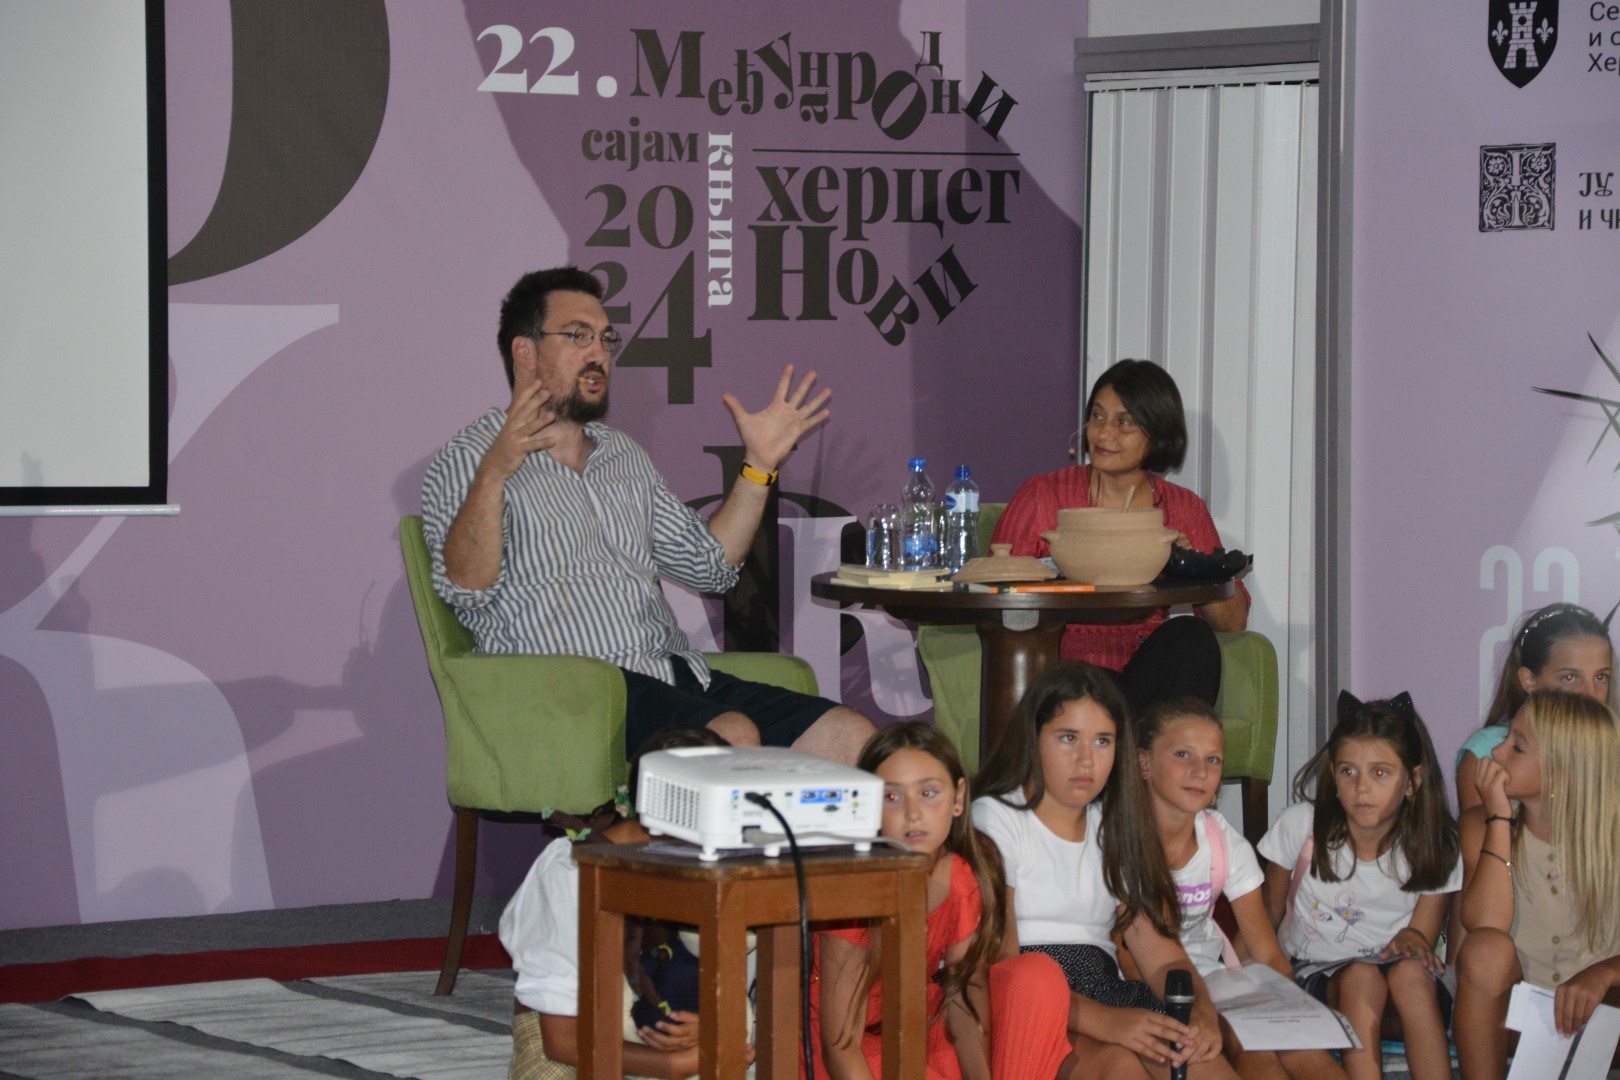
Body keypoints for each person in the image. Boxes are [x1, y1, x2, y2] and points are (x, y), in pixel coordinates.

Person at [421, 266, 875, 763]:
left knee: (853, 737)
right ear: (525, 351)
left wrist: (759, 466)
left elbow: (710, 566)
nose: (598, 354)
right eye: (578, 336)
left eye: (605, 339)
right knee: (731, 736)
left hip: (673, 674)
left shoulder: (623, 455)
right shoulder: (471, 456)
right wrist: (494, 474)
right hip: (572, 694)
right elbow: (466, 584)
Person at [973, 662, 1239, 1080]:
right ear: (1033, 738)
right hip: (1032, 1000)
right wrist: (1106, 1022)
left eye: (1102, 741)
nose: (1086, 760)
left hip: (1104, 986)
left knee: (1195, 1061)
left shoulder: (1111, 826)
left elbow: (1161, 955)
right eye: (1068, 738)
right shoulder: (997, 816)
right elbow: (1001, 962)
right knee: (1119, 1065)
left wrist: (1201, 1011)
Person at [809, 722, 1072, 1079]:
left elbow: (964, 995)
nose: (912, 813)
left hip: (917, 1025)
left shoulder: (961, 876)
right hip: (852, 1049)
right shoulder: (854, 889)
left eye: (928, 793)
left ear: (958, 798)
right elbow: (840, 1048)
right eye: (891, 797)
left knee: (1037, 976)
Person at [991, 359, 1249, 715]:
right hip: (1066, 670)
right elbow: (995, 599)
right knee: (1081, 683)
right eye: (1097, 417)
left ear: (1158, 434)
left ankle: (1130, 738)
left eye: (1123, 422)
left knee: (1193, 638)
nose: (1103, 434)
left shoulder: (1183, 508)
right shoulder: (1044, 495)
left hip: (1146, 673)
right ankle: (1133, 740)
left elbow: (1232, 623)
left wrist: (1190, 569)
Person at [501, 725, 741, 1080]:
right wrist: (678, 1065)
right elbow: (561, 1041)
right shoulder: (571, 871)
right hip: (577, 1030)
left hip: (671, 1015)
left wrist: (709, 1024)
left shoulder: (718, 857)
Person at [1134, 698, 1346, 1080]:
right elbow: (1124, 956)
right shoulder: (1118, 840)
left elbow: (1266, 951)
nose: (1200, 771)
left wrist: (1287, 1010)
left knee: (1300, 1047)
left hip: (1213, 977)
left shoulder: (1222, 841)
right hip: (1145, 984)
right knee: (1248, 1044)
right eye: (1182, 754)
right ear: (1144, 762)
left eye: (1213, 760)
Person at [1259, 692, 1460, 1080]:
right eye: (1348, 772)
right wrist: (1232, 981)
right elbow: (1264, 915)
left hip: (1407, 986)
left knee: (1409, 974)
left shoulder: (1437, 844)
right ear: (1334, 775)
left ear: (1413, 781)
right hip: (1316, 977)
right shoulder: (1300, 826)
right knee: (1361, 977)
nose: (1362, 787)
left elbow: (1421, 936)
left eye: (1380, 773)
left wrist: (1412, 939)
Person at [1452, 690, 1620, 1080]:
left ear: (1563, 770)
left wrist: (1606, 973)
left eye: (1517, 746)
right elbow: (1484, 926)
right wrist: (1498, 820)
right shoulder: (1479, 825)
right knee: (1484, 950)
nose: (1497, 752)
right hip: (1518, 1014)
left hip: (1607, 1012)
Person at [1454, 602, 1613, 814]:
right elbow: (1477, 832)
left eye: (1601, 677)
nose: (1590, 693)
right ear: (1529, 680)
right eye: (1570, 677)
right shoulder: (1489, 753)